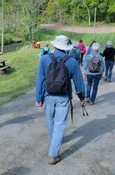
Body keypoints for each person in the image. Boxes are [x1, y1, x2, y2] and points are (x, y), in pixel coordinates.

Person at [36, 35, 85, 165]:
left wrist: (38, 98)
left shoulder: (45, 59)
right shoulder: (72, 61)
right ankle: (53, 154)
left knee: (50, 121)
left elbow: (40, 80)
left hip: (48, 96)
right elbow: (79, 82)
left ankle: (54, 141)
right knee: (60, 124)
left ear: (54, 45)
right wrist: (82, 97)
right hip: (63, 97)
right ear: (66, 47)